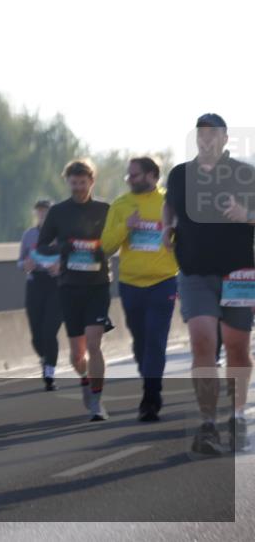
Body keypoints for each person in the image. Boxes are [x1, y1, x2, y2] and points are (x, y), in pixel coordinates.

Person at [163, 114, 254, 453]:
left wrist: (246, 215)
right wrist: (166, 226)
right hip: (194, 271)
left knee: (237, 349)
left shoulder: (244, 174)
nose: (206, 138)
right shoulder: (180, 174)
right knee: (202, 342)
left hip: (239, 274)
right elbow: (169, 204)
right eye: (201, 133)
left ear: (225, 138)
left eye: (213, 133)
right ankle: (207, 425)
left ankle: (237, 415)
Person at [100, 157, 179, 422]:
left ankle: (151, 397)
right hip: (131, 284)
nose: (130, 179)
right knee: (141, 343)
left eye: (135, 175)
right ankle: (150, 382)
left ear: (152, 176)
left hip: (163, 281)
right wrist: (127, 226)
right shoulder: (121, 205)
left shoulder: (169, 203)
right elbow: (106, 246)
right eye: (128, 175)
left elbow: (184, 239)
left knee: (156, 339)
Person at [36, 160, 114, 421]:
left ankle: (97, 401)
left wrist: (104, 249)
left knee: (94, 343)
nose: (78, 187)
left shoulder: (104, 209)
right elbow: (41, 247)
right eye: (74, 183)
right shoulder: (58, 212)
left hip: (98, 285)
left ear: (92, 182)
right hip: (70, 287)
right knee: (77, 355)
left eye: (83, 183)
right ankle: (84, 378)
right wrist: (61, 250)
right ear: (67, 182)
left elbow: (116, 240)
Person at [18, 199, 64, 391]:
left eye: (46, 212)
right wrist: (25, 265)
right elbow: (20, 261)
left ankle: (50, 374)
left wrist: (60, 266)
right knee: (37, 335)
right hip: (35, 283)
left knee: (49, 331)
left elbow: (71, 257)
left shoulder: (62, 234)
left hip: (57, 285)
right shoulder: (29, 235)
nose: (43, 215)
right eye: (40, 212)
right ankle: (45, 358)